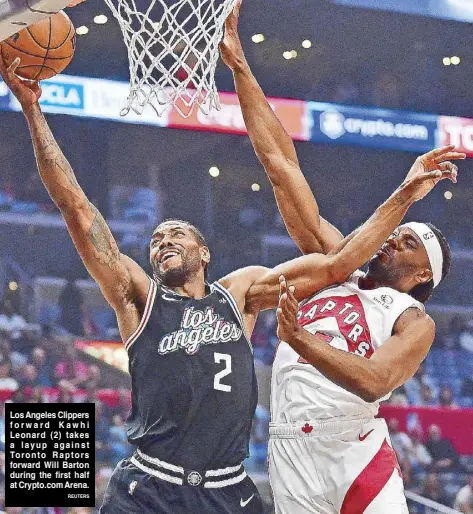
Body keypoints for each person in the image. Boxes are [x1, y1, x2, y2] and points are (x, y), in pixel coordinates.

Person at [0, 51, 453, 514]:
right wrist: (33, 111)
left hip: (248, 481)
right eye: (157, 237)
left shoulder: (244, 294)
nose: (164, 240)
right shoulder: (140, 297)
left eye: (178, 233)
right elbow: (77, 206)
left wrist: (403, 194)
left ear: (206, 253)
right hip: (167, 479)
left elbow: (340, 266)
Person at [219, 2, 465, 513]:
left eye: (411, 242)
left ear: (423, 275)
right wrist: (241, 67)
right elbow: (282, 165)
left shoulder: (413, 320)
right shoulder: (336, 264)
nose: (396, 238)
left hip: (354, 447)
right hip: (288, 447)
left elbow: (375, 380)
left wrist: (299, 338)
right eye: (401, 230)